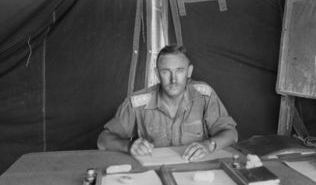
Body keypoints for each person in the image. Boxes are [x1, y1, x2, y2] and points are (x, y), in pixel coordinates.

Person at [97, 45, 238, 161]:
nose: (173, 79)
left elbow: (231, 133)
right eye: (166, 72)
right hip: (155, 173)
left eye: (179, 71)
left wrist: (209, 145)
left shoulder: (204, 96)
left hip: (196, 171)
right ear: (157, 74)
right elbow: (103, 140)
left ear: (189, 72)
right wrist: (129, 146)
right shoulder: (137, 103)